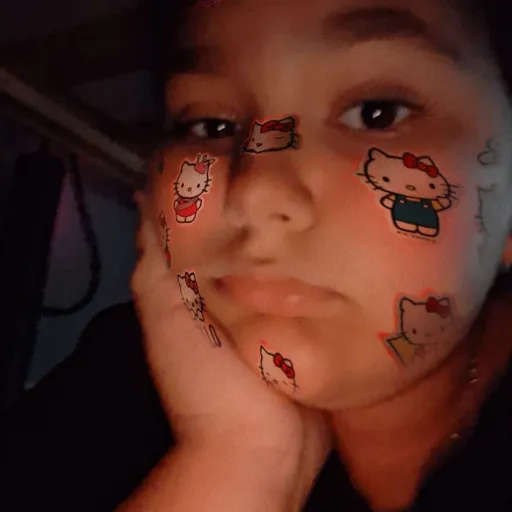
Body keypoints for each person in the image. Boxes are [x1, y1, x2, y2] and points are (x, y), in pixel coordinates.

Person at [2, 0, 512, 510]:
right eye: (208, 126)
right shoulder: (117, 378)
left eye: (377, 114)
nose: (254, 191)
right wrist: (238, 458)